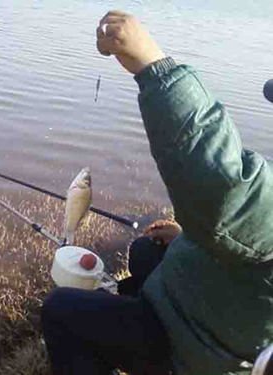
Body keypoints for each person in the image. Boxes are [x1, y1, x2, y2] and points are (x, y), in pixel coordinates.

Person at [41, 10, 273, 375]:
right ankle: (132, 308)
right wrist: (186, 238)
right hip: (221, 310)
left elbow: (228, 196)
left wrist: (153, 66)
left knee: (61, 311)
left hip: (197, 348)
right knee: (146, 250)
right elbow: (256, 239)